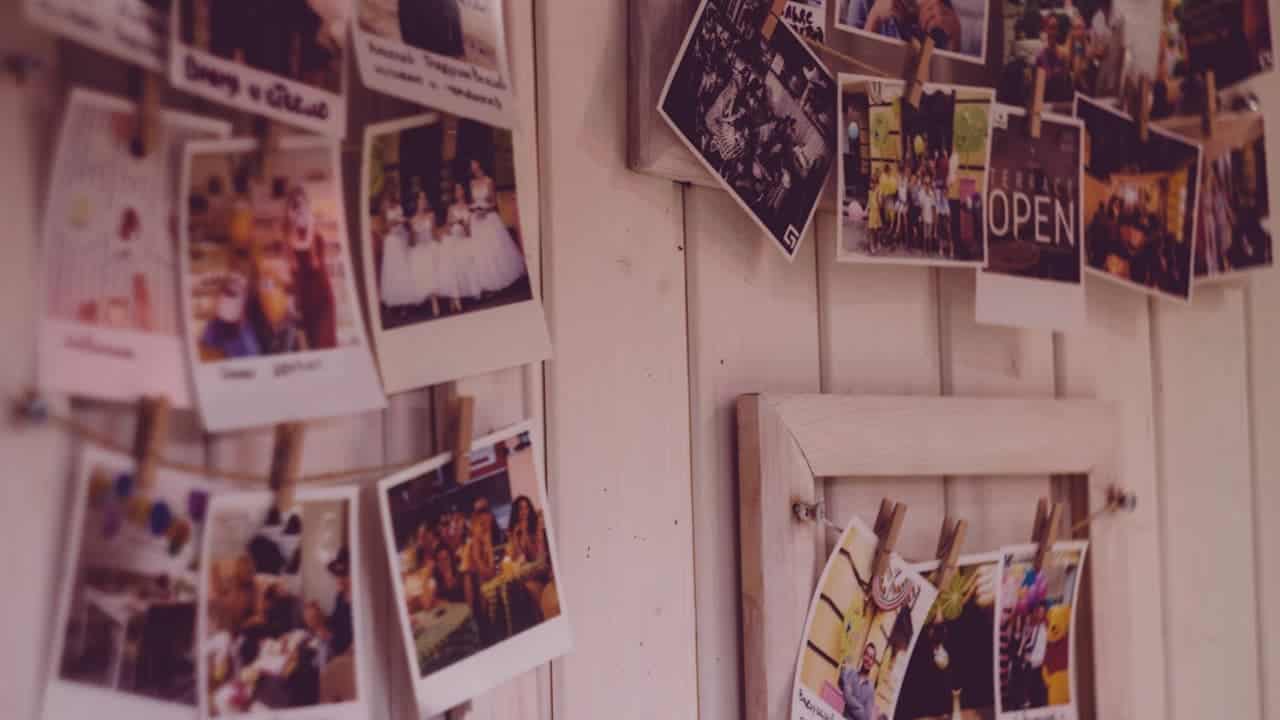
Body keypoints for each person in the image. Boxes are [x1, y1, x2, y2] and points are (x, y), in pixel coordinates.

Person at [286, 186, 337, 349]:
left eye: (302, 205)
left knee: (325, 344)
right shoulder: (290, 236)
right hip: (305, 301)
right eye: (295, 206)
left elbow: (313, 259)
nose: (300, 209)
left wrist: (311, 223)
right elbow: (294, 267)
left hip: (322, 299)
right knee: (314, 345)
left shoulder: (315, 234)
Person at [468, 159, 527, 294]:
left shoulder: (489, 181)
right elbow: (473, 201)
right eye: (471, 165)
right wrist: (474, 210)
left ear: (480, 165)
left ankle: (502, 280)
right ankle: (488, 283)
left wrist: (485, 211)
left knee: (494, 249)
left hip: (488, 216)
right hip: (477, 219)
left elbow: (494, 202)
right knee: (483, 252)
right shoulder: (471, 183)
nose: (473, 167)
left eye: (475, 164)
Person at [443, 183, 484, 301]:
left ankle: (471, 292)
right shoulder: (451, 208)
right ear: (454, 194)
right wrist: (452, 223)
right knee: (453, 257)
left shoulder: (469, 207)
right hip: (453, 238)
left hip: (464, 238)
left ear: (464, 191)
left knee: (468, 256)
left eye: (460, 189)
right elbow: (447, 228)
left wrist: (463, 224)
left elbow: (469, 231)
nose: (459, 192)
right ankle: (456, 296)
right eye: (456, 190)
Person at [838, 643, 881, 720]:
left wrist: (849, 698)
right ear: (862, 655)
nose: (867, 659)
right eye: (866, 654)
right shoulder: (851, 673)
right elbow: (841, 685)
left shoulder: (870, 690)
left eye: (871, 658)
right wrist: (860, 707)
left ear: (873, 663)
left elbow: (865, 717)